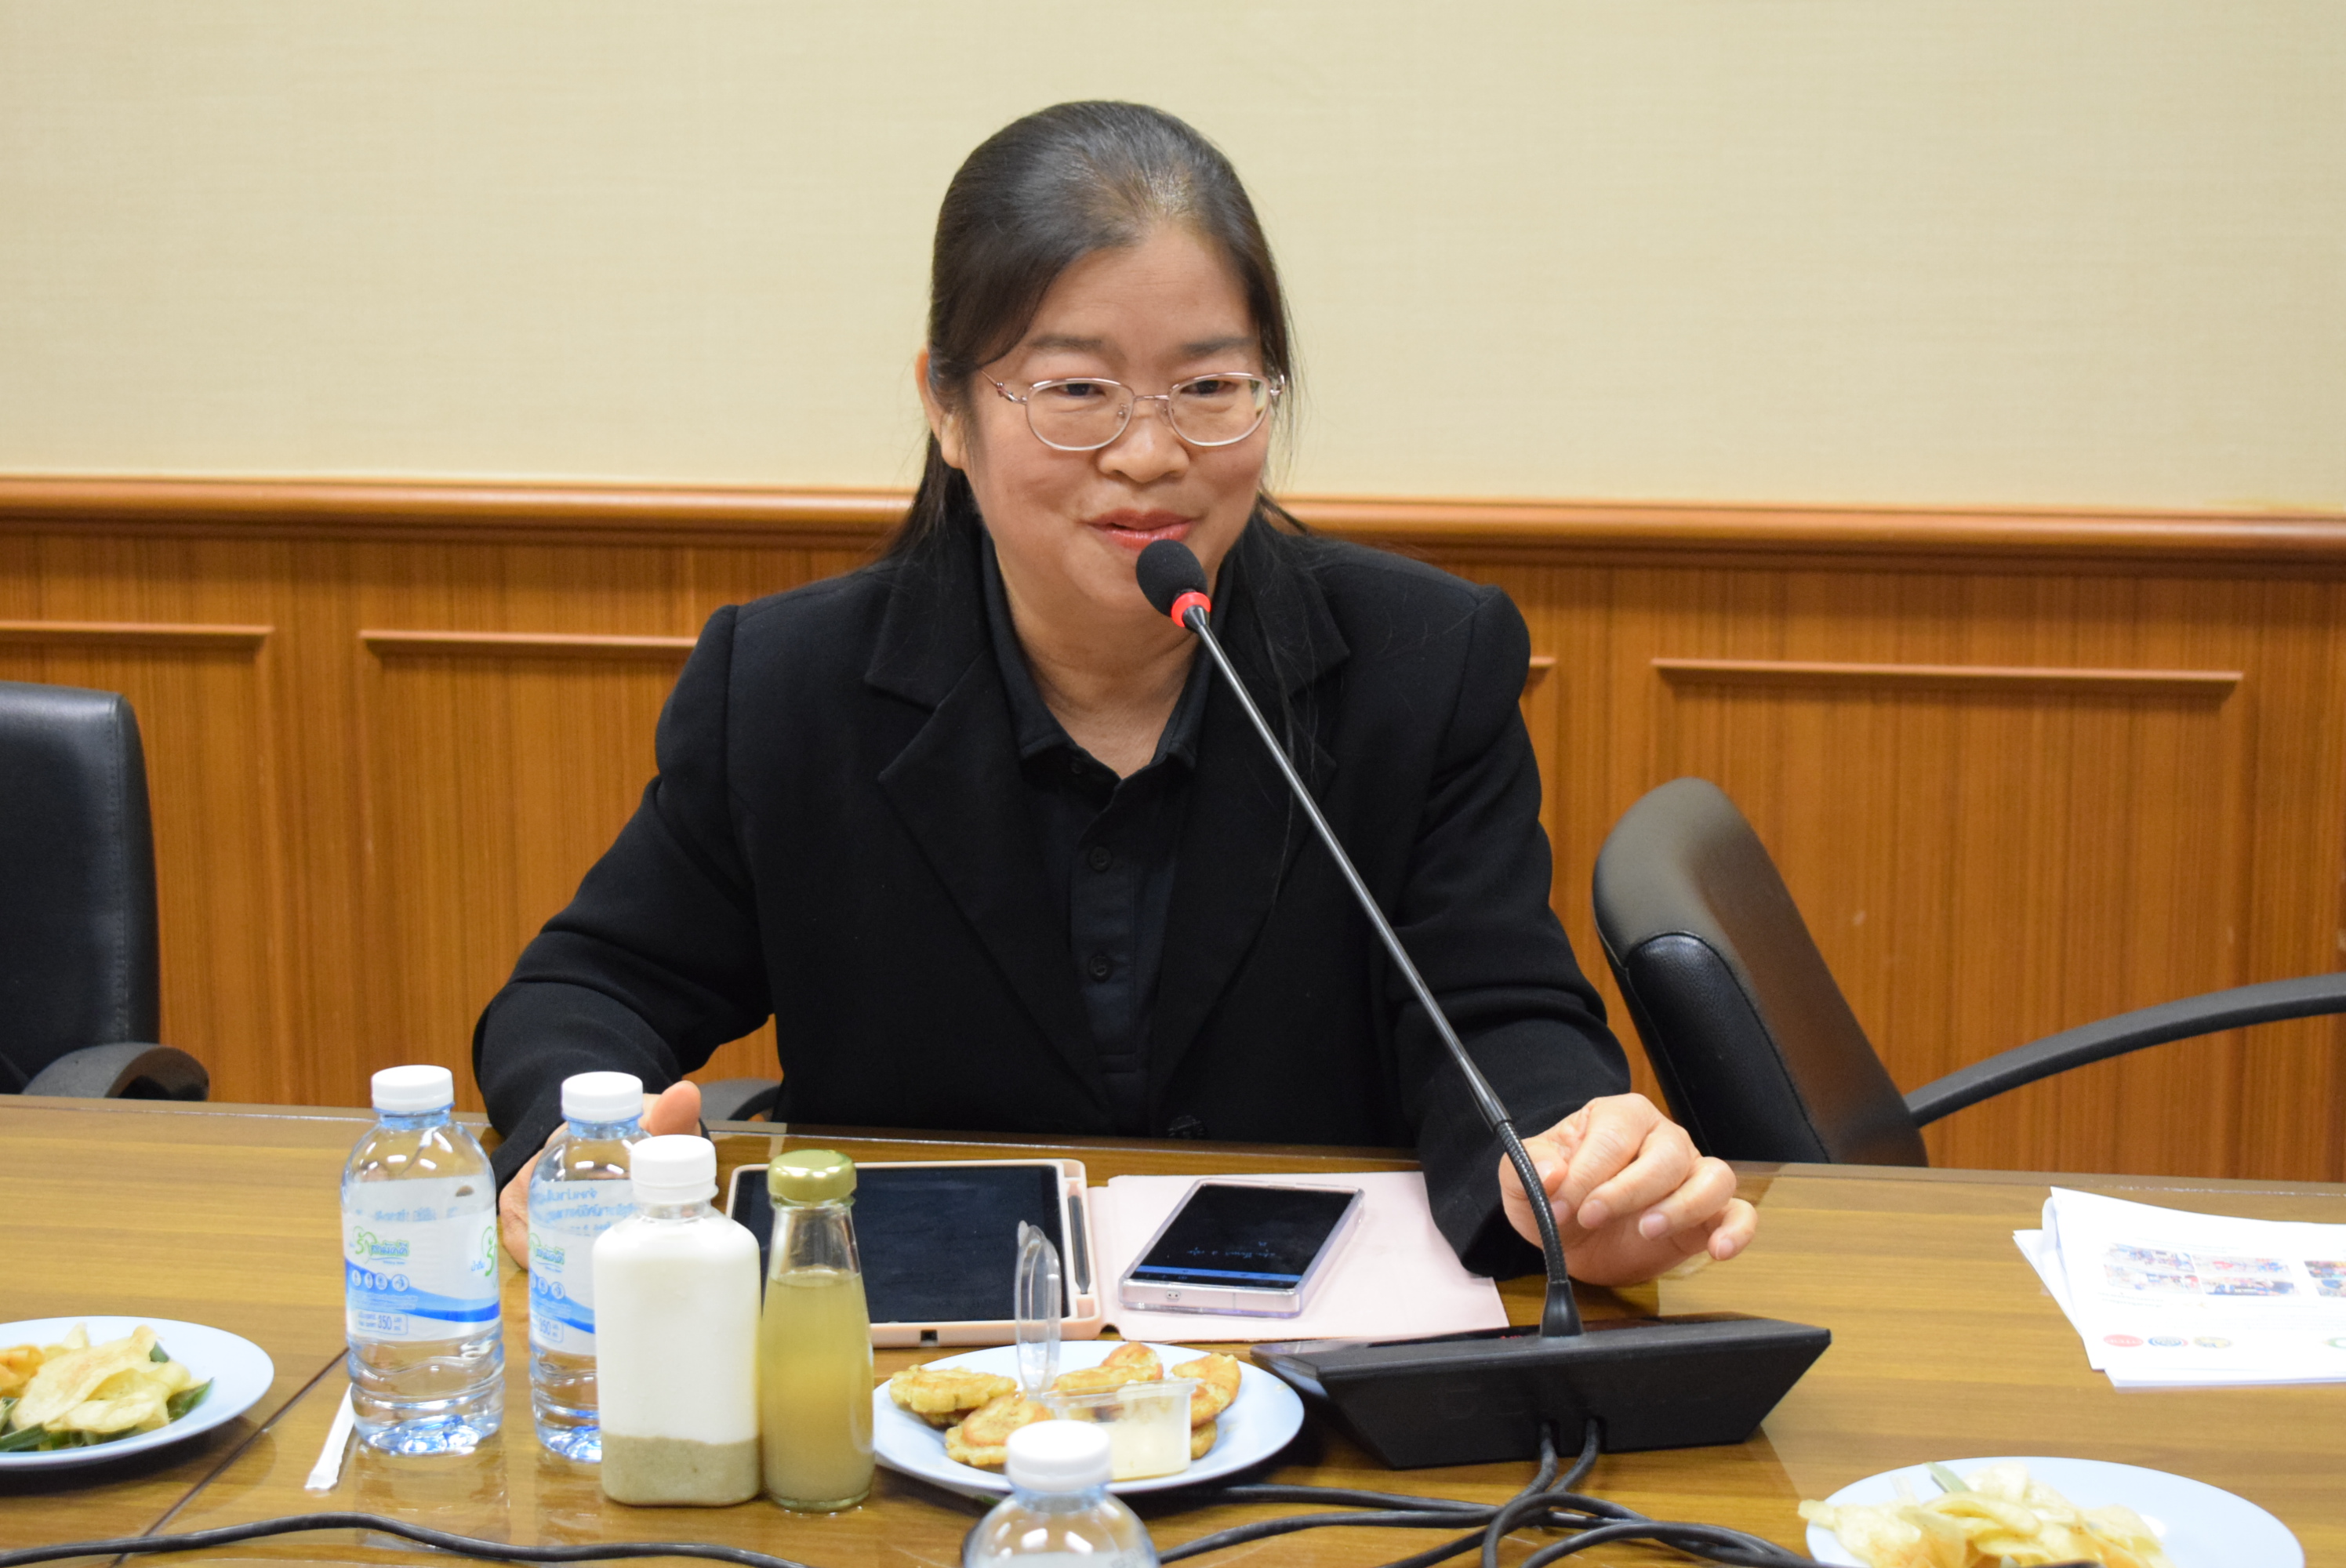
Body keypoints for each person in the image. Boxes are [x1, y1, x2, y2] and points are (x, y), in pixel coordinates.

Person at [475, 100, 1755, 1288]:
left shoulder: (1423, 662)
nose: (1150, 454)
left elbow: (1496, 1012)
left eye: (1209, 388)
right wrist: (578, 1140)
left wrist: (1567, 1172)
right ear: (947, 407)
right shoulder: (787, 687)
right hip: (917, 1358)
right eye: (1077, 391)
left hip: (1318, 1347)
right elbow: (588, 989)